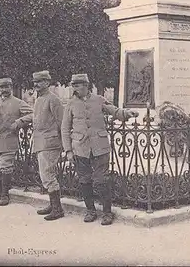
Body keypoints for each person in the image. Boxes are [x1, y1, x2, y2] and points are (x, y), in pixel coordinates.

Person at [61, 73, 139, 226]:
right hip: (80, 148)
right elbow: (65, 128)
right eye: (74, 86)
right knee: (84, 180)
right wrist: (68, 150)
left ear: (86, 85)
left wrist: (126, 113)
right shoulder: (70, 104)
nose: (75, 88)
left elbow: (114, 111)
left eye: (78, 85)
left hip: (100, 147)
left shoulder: (98, 99)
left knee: (101, 180)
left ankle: (107, 213)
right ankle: (90, 211)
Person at [0, 77, 33, 206]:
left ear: (11, 87)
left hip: (8, 139)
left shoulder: (18, 103)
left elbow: (32, 114)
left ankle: (5, 195)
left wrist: (18, 122)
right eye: (1, 87)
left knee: (6, 166)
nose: (4, 90)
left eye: (6, 87)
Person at [32, 70, 64, 221]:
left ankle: (58, 209)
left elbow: (61, 123)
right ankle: (53, 205)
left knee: (48, 174)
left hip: (50, 143)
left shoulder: (53, 99)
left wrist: (63, 143)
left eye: (39, 82)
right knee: (45, 175)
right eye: (34, 82)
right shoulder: (39, 99)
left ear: (47, 82)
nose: (36, 85)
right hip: (40, 142)